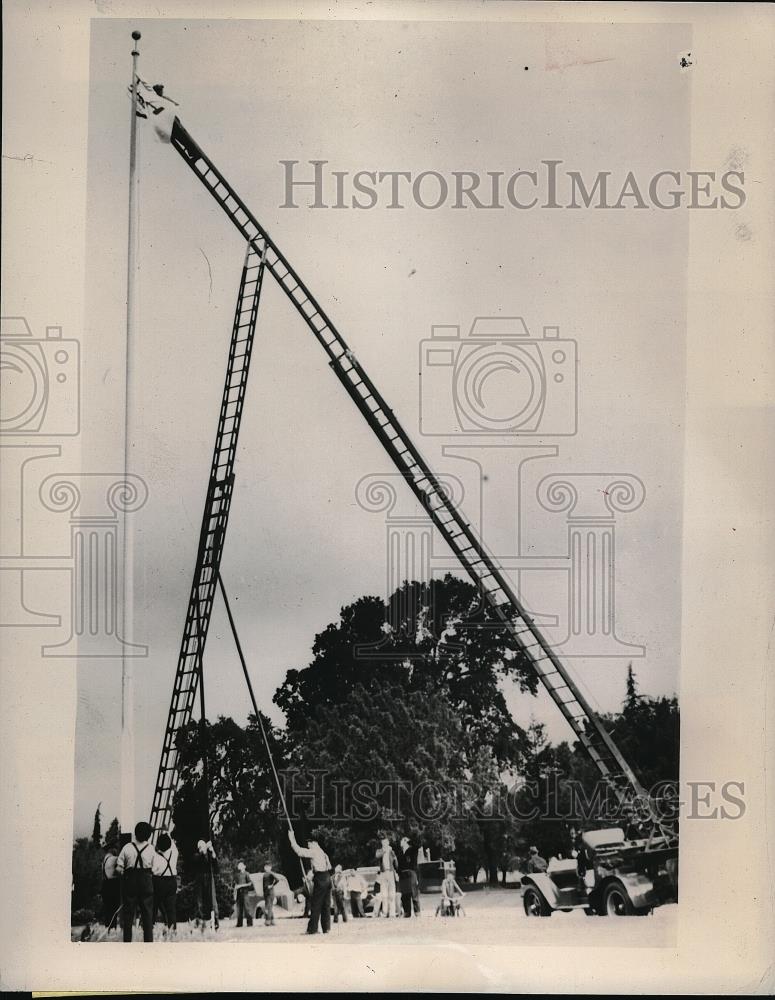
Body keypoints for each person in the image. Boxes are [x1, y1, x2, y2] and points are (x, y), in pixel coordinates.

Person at [116, 821, 158, 942]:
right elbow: (155, 869)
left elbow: (119, 868)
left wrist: (125, 873)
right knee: (147, 915)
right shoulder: (151, 849)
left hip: (131, 881)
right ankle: (148, 942)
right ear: (148, 835)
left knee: (128, 915)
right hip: (146, 881)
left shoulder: (127, 847)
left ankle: (127, 942)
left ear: (135, 832)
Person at [288, 829, 332, 935]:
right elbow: (328, 866)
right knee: (326, 905)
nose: (308, 846)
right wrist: (311, 875)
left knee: (316, 904)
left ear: (314, 843)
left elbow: (299, 851)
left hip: (321, 879)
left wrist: (292, 839)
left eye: (309, 844)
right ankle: (326, 928)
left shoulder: (314, 851)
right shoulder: (323, 852)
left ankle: (312, 929)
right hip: (327, 878)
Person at [152, 832, 178, 934]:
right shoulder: (174, 853)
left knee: (154, 906)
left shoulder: (156, 856)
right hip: (171, 881)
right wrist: (167, 832)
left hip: (159, 882)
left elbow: (153, 870)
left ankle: (151, 927)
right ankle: (172, 930)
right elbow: (173, 845)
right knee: (171, 908)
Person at [193, 839, 220, 931]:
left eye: (202, 846)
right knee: (199, 902)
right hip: (200, 880)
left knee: (212, 901)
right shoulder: (196, 856)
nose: (201, 848)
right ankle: (200, 922)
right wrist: (204, 851)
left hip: (209, 878)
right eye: (199, 847)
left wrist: (212, 852)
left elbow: (216, 866)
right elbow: (198, 860)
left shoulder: (209, 854)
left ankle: (215, 922)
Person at [374, 832, 399, 918]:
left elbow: (396, 863)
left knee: (392, 893)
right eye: (383, 843)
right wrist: (385, 850)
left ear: (388, 843)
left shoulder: (392, 851)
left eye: (386, 843)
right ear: (382, 844)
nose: (384, 844)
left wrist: (395, 860)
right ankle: (385, 912)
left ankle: (392, 913)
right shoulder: (379, 850)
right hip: (383, 873)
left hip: (391, 872)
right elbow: (377, 856)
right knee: (384, 894)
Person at [398, 836, 421, 918]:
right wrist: (398, 873)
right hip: (402, 874)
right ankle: (407, 912)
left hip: (411, 872)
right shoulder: (400, 852)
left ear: (405, 841)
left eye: (402, 840)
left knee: (414, 893)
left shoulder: (413, 850)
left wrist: (408, 841)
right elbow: (398, 865)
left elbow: (417, 844)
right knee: (404, 894)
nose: (400, 842)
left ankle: (417, 912)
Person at [100, 844, 121, 934]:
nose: (117, 850)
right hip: (114, 884)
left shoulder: (105, 859)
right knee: (114, 908)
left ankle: (107, 927)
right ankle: (113, 928)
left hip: (105, 884)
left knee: (107, 908)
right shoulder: (114, 859)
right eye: (115, 848)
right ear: (112, 849)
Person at [233, 861, 254, 928]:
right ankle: (239, 924)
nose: (239, 866)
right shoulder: (237, 875)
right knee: (239, 909)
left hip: (245, 893)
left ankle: (250, 923)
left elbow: (250, 884)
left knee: (247, 909)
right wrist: (235, 891)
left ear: (244, 866)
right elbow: (236, 885)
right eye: (239, 865)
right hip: (239, 894)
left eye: (241, 865)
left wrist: (241, 886)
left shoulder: (247, 874)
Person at [262, 861, 278, 927]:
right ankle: (272, 920)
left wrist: (272, 885)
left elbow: (277, 879)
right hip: (266, 892)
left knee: (268, 907)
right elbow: (263, 885)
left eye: (268, 867)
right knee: (269, 907)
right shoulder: (265, 874)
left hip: (270, 892)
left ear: (270, 867)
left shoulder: (271, 873)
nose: (266, 868)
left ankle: (268, 921)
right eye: (265, 867)